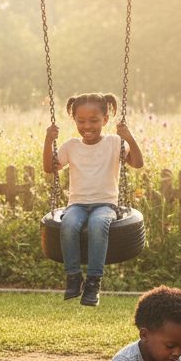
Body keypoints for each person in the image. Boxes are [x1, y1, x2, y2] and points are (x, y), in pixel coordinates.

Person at [43, 92, 143, 307]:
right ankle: (74, 277)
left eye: (94, 120)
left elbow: (137, 162)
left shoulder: (115, 142)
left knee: (99, 224)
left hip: (105, 204)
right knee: (68, 224)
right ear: (75, 120)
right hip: (77, 204)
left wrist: (129, 136)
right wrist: (48, 140)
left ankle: (93, 283)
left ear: (105, 120)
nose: (87, 126)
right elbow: (49, 168)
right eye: (81, 121)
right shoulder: (71, 146)